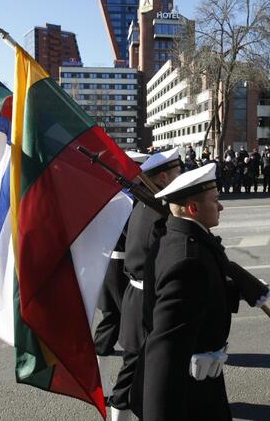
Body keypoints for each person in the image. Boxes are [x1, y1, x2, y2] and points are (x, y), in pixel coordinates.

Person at [137, 163, 269, 420]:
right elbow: (164, 347)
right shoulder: (189, 259)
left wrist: (236, 291)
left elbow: (197, 298)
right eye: (216, 200)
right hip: (188, 393)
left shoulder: (177, 237)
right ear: (193, 208)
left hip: (200, 379)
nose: (221, 207)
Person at [111, 148, 182, 421]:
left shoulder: (146, 204)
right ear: (163, 177)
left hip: (138, 294)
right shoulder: (158, 211)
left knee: (139, 365)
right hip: (145, 300)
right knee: (135, 367)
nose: (180, 177)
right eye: (177, 173)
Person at [94, 151, 148, 404]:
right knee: (122, 324)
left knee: (111, 321)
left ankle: (102, 383)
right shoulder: (130, 197)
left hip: (110, 263)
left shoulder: (113, 193)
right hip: (122, 266)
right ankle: (115, 390)